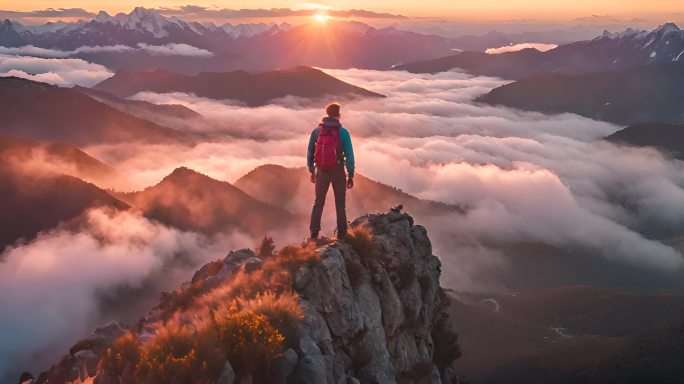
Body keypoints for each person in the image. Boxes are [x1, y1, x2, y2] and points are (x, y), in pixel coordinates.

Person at [307, 103, 355, 240]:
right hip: (338, 171)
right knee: (340, 203)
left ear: (327, 114)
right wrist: (350, 174)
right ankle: (342, 233)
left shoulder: (317, 131)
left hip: (321, 171)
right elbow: (350, 155)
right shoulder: (343, 132)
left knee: (318, 202)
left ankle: (314, 233)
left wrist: (312, 170)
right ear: (338, 115)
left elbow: (310, 151)